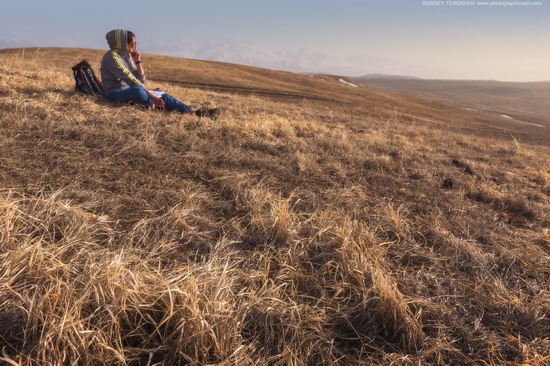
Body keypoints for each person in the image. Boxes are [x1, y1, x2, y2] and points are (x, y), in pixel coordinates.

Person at [100, 29, 220, 119]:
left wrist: (138, 62)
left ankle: (194, 112)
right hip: (114, 93)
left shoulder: (126, 56)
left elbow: (141, 80)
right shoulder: (112, 56)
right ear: (124, 44)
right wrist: (151, 96)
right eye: (134, 44)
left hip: (131, 89)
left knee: (162, 95)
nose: (135, 47)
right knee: (140, 92)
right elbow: (132, 80)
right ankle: (154, 105)